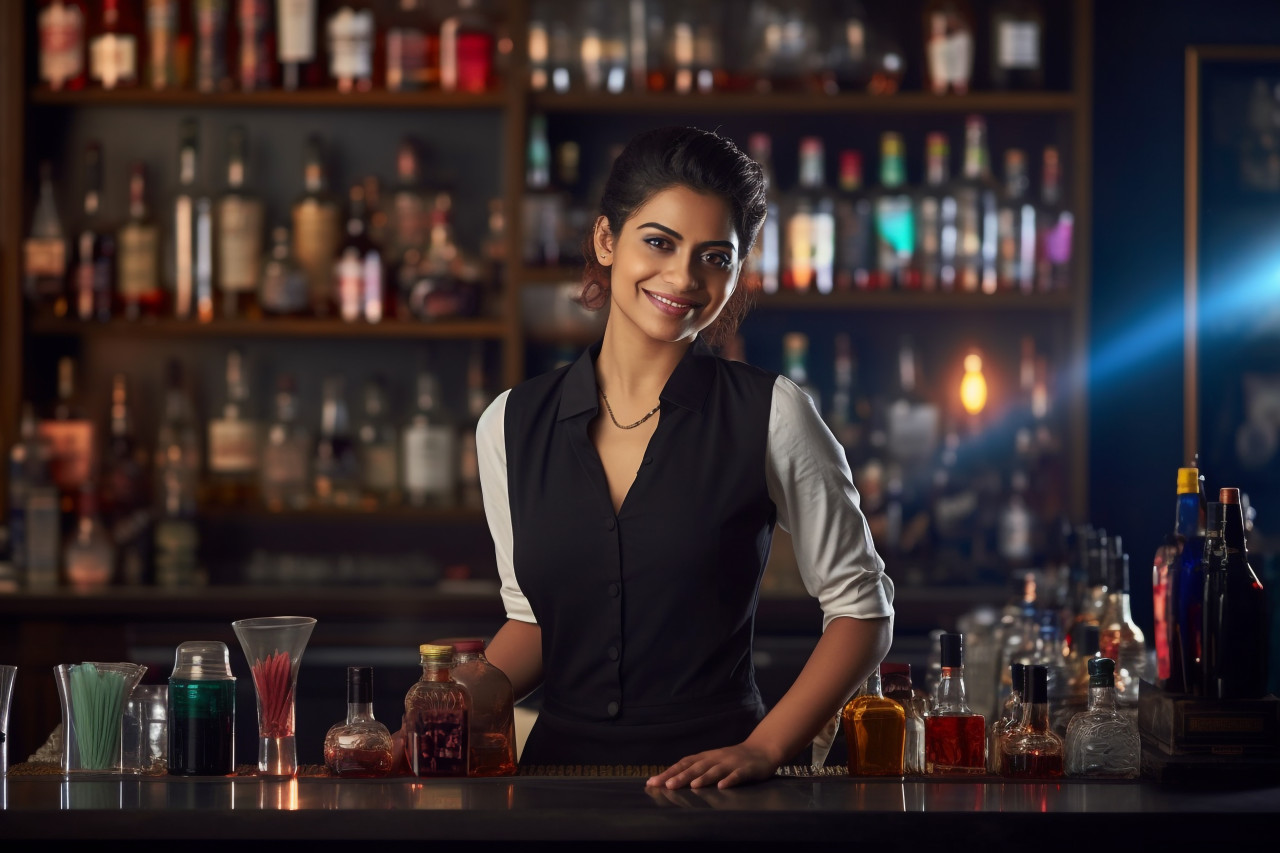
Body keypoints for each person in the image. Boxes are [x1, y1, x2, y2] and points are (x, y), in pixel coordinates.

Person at [477, 125, 893, 789]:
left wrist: (766, 747)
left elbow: (863, 611)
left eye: (715, 257)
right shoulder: (508, 423)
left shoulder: (774, 413)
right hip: (554, 789)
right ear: (606, 239)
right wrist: (450, 698)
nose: (683, 277)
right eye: (658, 242)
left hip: (716, 791)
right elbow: (532, 622)